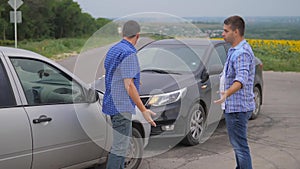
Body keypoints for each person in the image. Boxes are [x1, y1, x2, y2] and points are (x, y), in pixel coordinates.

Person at [102, 20, 156, 169]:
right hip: (121, 107)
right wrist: (143, 110)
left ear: (123, 33)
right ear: (137, 35)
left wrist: (134, 79)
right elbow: (128, 85)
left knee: (120, 146)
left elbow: (114, 73)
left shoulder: (114, 49)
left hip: (111, 103)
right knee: (120, 148)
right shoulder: (129, 52)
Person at [214, 15, 255, 169]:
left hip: (238, 108)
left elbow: (241, 79)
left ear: (236, 32)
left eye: (226, 31)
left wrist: (227, 93)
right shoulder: (235, 50)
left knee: (240, 147)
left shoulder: (241, 53)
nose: (223, 34)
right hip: (234, 107)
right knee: (238, 146)